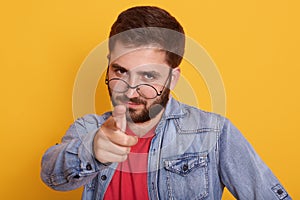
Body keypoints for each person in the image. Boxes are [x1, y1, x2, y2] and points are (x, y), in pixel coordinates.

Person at [41, 6, 291, 200]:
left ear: (173, 78)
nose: (130, 91)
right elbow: (50, 175)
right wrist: (92, 150)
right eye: (120, 71)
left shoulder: (214, 133)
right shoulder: (90, 129)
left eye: (148, 76)